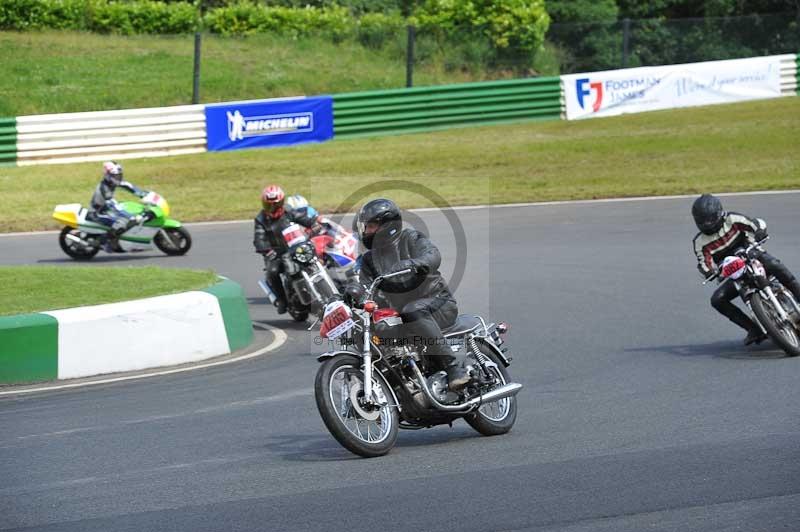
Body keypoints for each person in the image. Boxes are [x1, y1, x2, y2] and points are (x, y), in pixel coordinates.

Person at [347, 198, 469, 391]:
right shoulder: (369, 260)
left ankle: (454, 368)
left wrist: (413, 263)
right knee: (371, 328)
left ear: (386, 225)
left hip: (438, 304)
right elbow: (360, 282)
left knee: (412, 309)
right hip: (404, 314)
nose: (366, 231)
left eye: (370, 226)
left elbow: (433, 255)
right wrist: (347, 294)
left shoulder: (411, 239)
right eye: (366, 227)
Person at [692, 193, 800, 345]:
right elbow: (703, 262)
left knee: (775, 265)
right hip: (734, 272)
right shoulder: (699, 241)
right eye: (703, 220)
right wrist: (709, 271)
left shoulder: (733, 219)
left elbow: (754, 224)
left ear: (718, 213)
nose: (708, 223)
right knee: (717, 300)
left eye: (710, 218)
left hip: (752, 255)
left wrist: (759, 232)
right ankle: (752, 328)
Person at [253, 185, 319, 314]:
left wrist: (314, 224)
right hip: (276, 253)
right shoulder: (261, 219)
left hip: (294, 247)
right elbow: (258, 239)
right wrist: (267, 250)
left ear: (282, 203)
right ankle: (282, 300)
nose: (272, 208)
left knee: (314, 258)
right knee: (272, 271)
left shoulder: (288, 212)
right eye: (268, 205)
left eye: (276, 205)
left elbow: (302, 218)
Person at [88, 161, 148, 251]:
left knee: (129, 213)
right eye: (115, 176)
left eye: (119, 176)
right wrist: (128, 215)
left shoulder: (111, 182)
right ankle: (104, 242)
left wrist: (143, 194)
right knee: (122, 222)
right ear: (108, 175)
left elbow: (128, 185)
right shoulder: (104, 188)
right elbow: (112, 204)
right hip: (97, 213)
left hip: (105, 209)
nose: (118, 178)